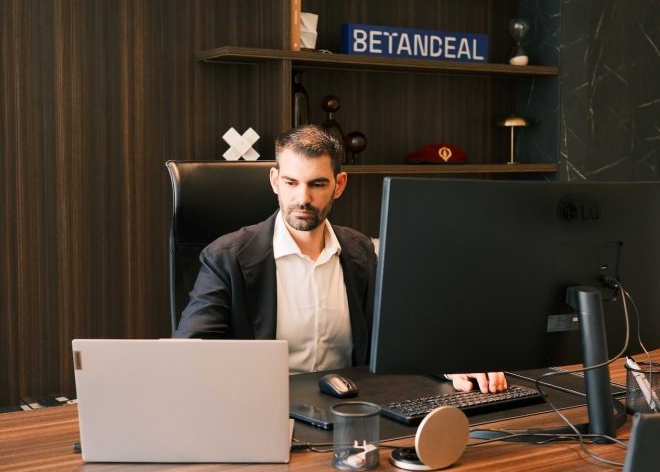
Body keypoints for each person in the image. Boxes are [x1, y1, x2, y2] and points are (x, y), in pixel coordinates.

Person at [174, 125, 506, 393]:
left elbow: (406, 331)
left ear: (339, 185)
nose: (302, 198)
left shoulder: (361, 252)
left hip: (350, 409)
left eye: (317, 184)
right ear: (275, 181)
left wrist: (455, 363)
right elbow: (189, 355)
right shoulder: (226, 258)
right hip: (262, 411)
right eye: (291, 183)